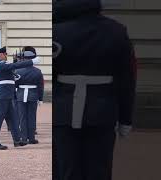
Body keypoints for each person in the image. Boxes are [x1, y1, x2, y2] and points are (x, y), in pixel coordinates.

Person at [54, 0, 137, 180]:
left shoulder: (57, 32)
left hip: (63, 111)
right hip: (102, 110)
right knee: (99, 169)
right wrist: (125, 118)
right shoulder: (116, 31)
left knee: (65, 169)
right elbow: (127, 79)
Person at [0, 47, 40, 150]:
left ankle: (17, 140)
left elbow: (13, 73)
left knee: (13, 119)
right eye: (5, 54)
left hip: (8, 96)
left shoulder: (3, 66)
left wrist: (16, 75)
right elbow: (15, 65)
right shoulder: (0, 64)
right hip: (1, 96)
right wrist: (31, 62)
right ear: (2, 55)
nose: (6, 56)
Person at [15, 51, 44, 144]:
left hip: (21, 94)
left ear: (24, 59)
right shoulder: (37, 71)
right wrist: (40, 98)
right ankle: (31, 138)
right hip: (33, 95)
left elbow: (15, 84)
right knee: (32, 116)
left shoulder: (18, 70)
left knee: (22, 117)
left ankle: (24, 138)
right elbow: (40, 86)